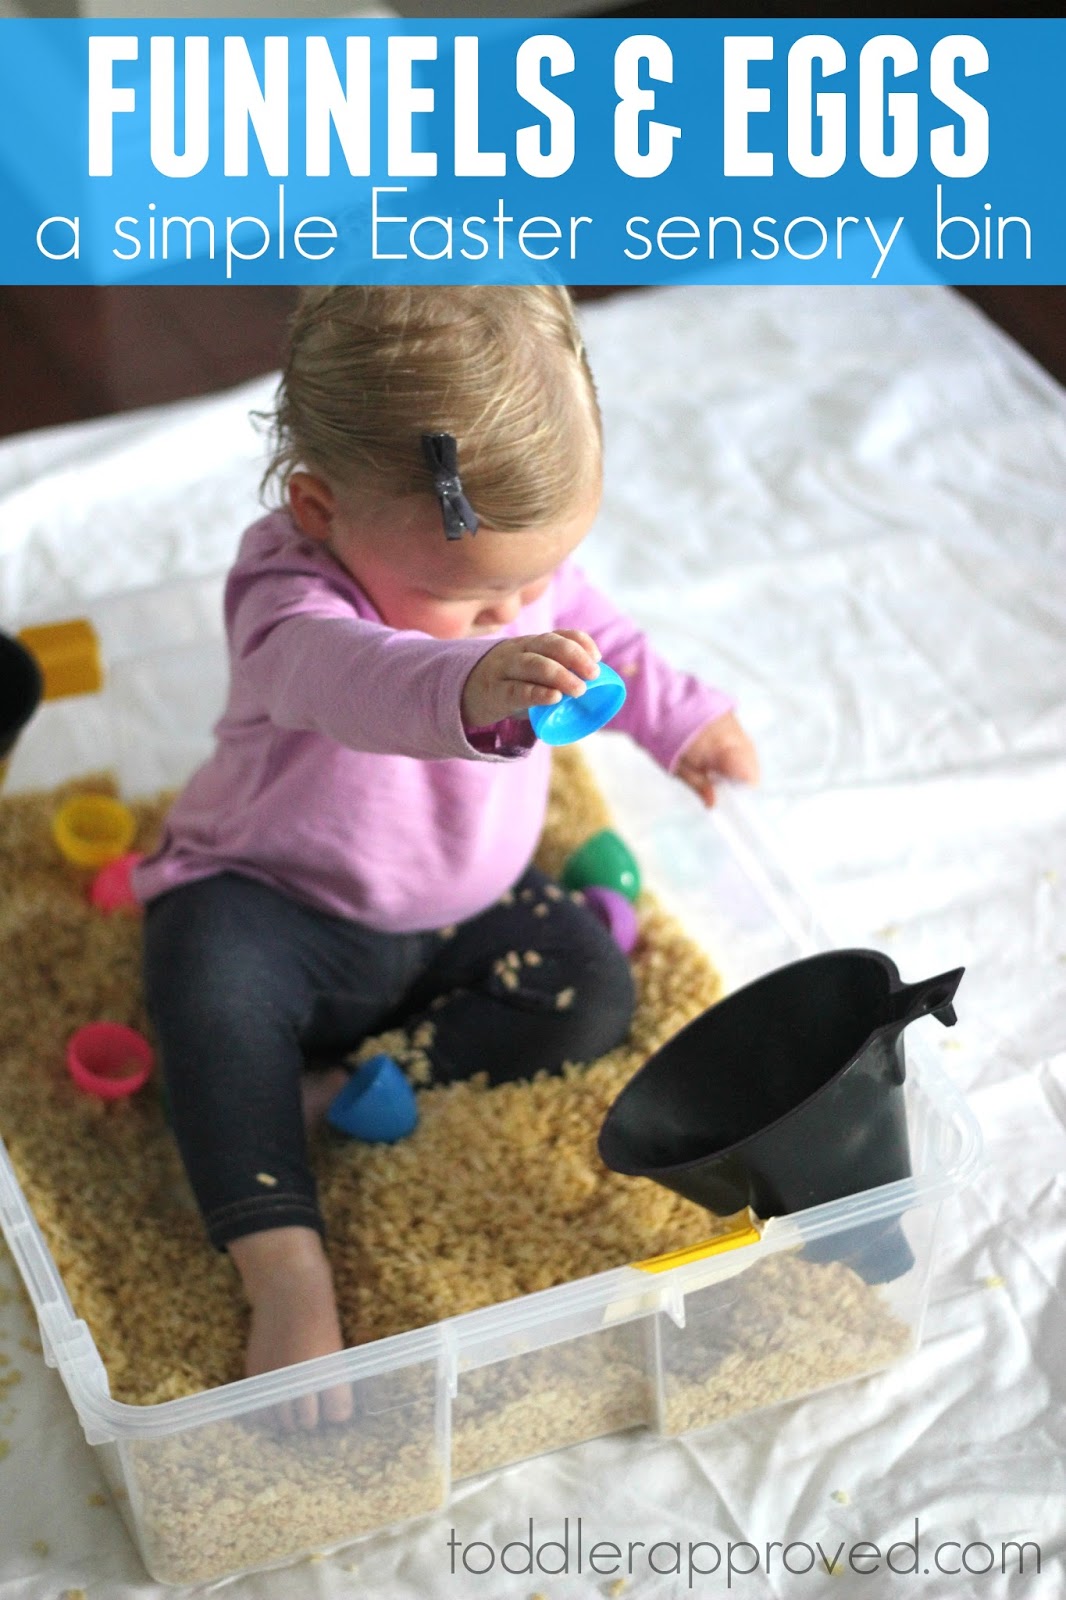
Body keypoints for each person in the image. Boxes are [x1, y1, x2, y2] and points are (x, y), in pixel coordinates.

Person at [134, 285, 759, 1426]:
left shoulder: (513, 580)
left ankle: (347, 1089)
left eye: (534, 580)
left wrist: (680, 715)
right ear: (319, 508)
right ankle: (285, 1269)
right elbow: (352, 680)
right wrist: (471, 683)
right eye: (469, 596)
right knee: (202, 990)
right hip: (279, 908)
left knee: (589, 984)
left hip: (455, 913)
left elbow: (597, 636)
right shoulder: (284, 598)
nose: (515, 611)